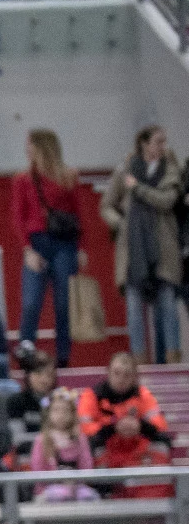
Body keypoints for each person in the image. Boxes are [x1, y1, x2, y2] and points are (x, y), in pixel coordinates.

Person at [106, 126, 182, 366]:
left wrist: (137, 188)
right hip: (133, 252)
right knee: (134, 309)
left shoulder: (171, 171)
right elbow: (106, 205)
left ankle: (172, 358)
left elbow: (167, 200)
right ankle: (139, 361)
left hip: (164, 249)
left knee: (168, 305)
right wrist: (121, 224)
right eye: (158, 142)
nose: (162, 147)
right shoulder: (124, 171)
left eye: (164, 142)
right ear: (144, 144)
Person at [11, 130, 86, 366]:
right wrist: (26, 249)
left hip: (64, 244)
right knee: (31, 302)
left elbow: (79, 213)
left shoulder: (68, 176)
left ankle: (63, 358)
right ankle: (27, 354)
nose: (27, 150)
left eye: (30, 146)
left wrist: (82, 247)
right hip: (36, 243)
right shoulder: (22, 180)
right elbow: (17, 216)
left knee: (64, 304)